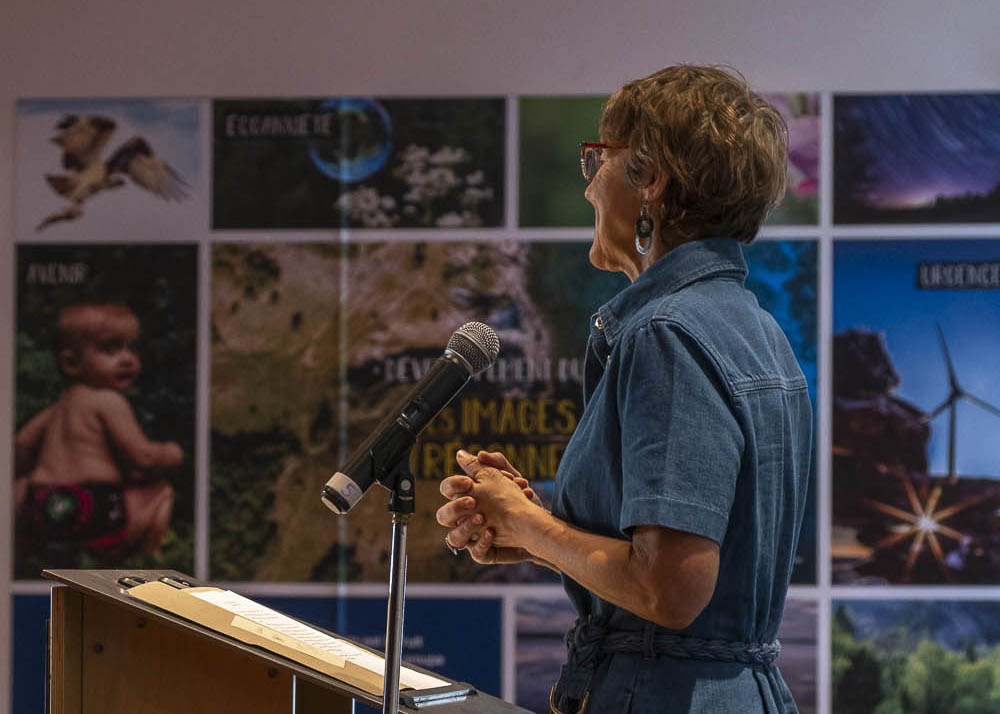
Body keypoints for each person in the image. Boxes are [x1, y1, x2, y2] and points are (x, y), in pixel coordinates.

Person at [437, 65, 812, 714]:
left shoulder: (666, 335)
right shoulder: (753, 327)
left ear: (652, 180)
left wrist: (525, 522)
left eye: (599, 161)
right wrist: (539, 525)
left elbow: (671, 588)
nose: (589, 191)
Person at [14, 302, 182, 559]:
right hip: (94, 506)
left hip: (43, 503)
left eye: (132, 348)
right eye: (111, 349)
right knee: (161, 491)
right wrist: (171, 454)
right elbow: (143, 458)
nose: (127, 359)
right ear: (71, 363)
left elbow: (22, 445)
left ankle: (37, 551)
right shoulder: (108, 400)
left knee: (19, 487)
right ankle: (145, 557)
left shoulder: (58, 407)